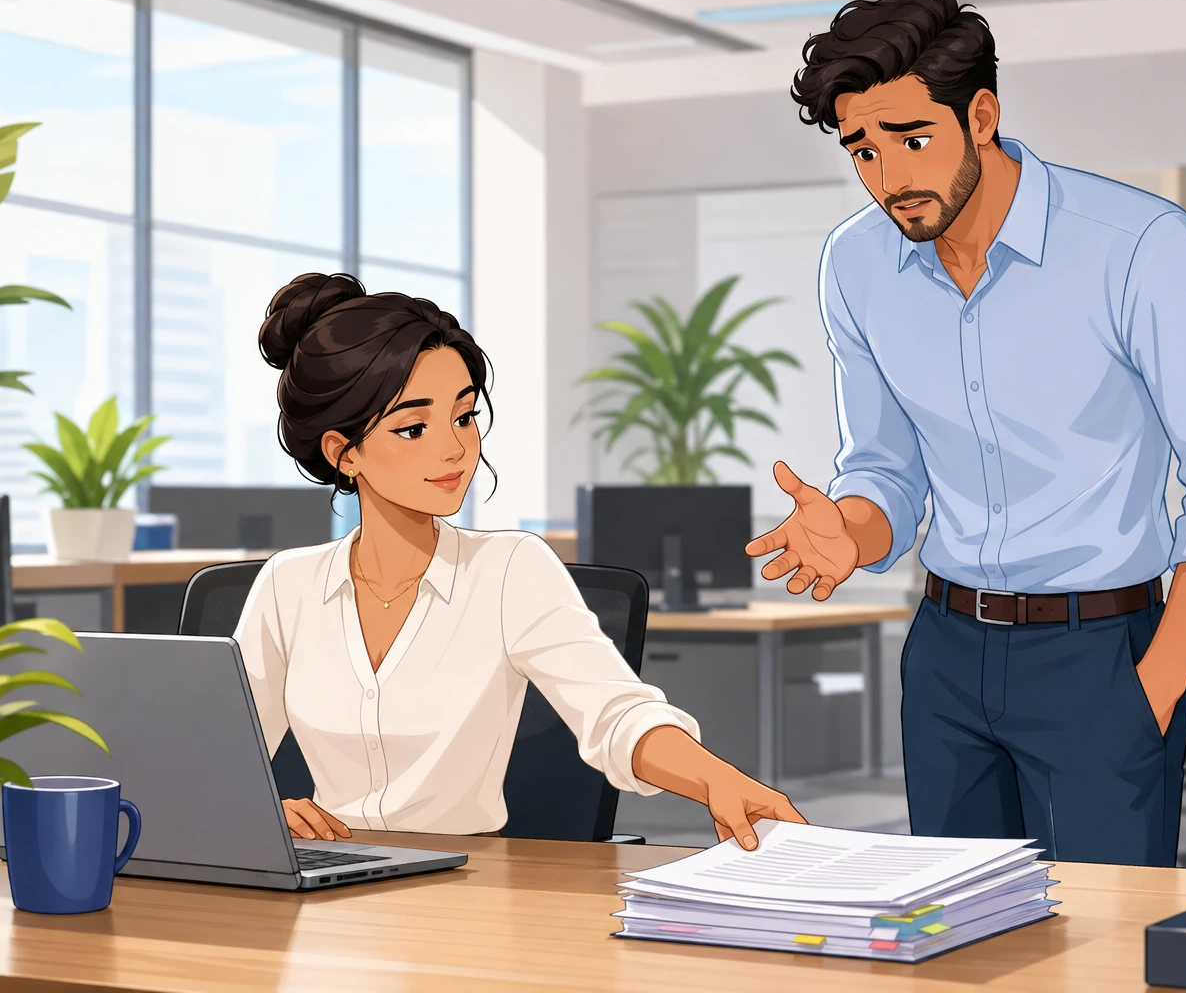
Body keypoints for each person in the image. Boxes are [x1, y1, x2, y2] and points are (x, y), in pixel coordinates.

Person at [746, 0, 1186, 866]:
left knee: (1100, 946)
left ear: (983, 115)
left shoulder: (1138, 245)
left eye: (912, 139)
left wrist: (1149, 690)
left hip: (1102, 654)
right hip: (947, 657)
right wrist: (850, 529)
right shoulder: (855, 263)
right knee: (960, 936)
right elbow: (885, 468)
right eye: (863, 151)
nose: (890, 179)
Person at [235, 271, 804, 848]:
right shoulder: (289, 585)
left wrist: (714, 779)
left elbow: (615, 713)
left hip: (463, 888)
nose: (455, 447)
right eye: (413, 427)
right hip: (324, 887)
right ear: (344, 452)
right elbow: (219, 756)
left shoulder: (509, 569)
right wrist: (263, 810)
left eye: (463, 416)